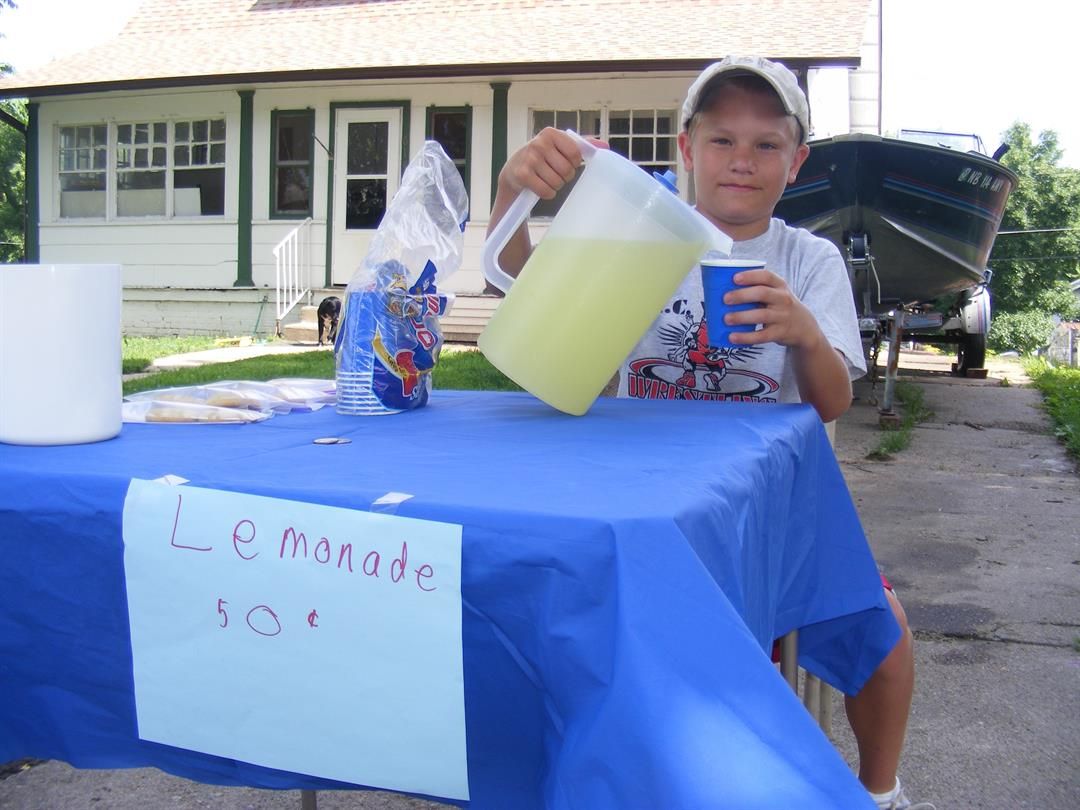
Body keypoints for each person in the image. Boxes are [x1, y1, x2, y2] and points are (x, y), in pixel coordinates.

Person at [488, 55, 933, 810]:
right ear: (687, 150)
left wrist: (804, 333)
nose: (742, 160)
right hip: (640, 501)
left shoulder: (808, 259)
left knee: (882, 630)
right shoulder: (633, 237)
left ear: (796, 163)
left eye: (766, 145)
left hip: (769, 517)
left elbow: (831, 403)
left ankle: (879, 792)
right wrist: (513, 193)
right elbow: (535, 304)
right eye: (722, 140)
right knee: (551, 612)